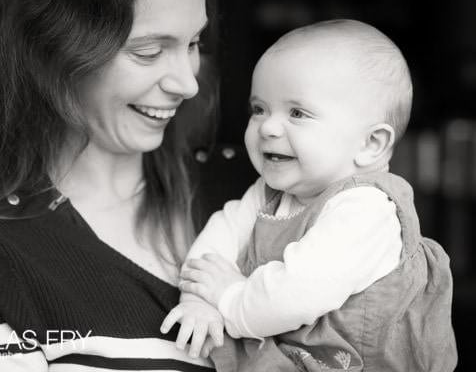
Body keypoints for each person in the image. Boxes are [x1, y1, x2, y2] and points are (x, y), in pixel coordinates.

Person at [0, 0, 221, 370]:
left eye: (194, 44)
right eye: (148, 51)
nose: (187, 82)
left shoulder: (257, 196)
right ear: (54, 49)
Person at [162, 19, 457, 371]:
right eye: (259, 109)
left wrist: (226, 297)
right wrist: (199, 299)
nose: (268, 127)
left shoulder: (367, 210)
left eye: (297, 113)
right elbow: (220, 238)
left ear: (370, 144)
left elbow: (296, 294)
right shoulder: (271, 193)